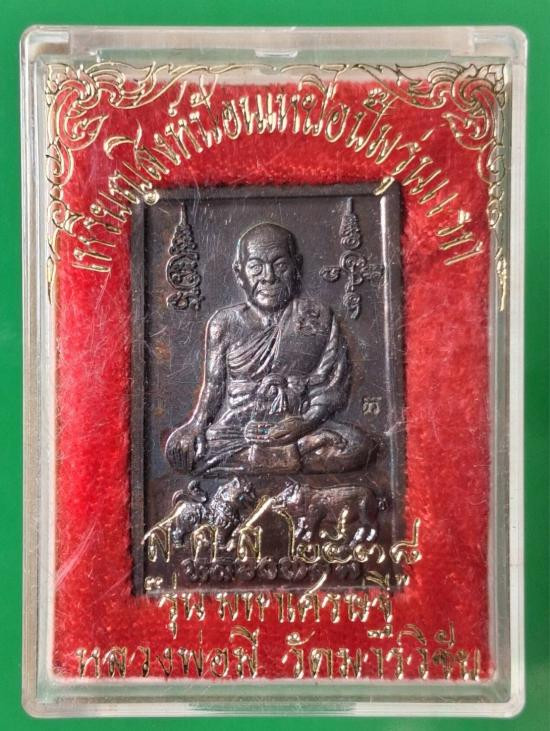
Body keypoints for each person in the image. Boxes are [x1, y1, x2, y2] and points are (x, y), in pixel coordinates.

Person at [165, 222, 374, 476]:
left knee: (358, 446)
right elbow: (214, 386)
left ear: (296, 266)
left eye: (280, 265)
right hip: (240, 428)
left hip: (299, 424)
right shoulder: (225, 323)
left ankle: (265, 459)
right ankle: (288, 456)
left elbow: (332, 386)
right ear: (239, 273)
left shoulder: (316, 317)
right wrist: (196, 425)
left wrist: (305, 423)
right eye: (256, 267)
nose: (269, 277)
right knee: (183, 453)